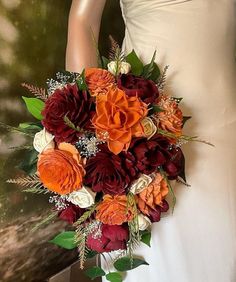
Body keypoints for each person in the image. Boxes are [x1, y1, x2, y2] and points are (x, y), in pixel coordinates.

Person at [66, 1, 236, 281]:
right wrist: (84, 134)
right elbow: (82, 21)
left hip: (227, 129)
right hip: (144, 131)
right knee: (156, 260)